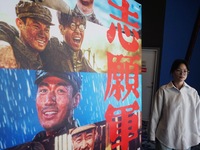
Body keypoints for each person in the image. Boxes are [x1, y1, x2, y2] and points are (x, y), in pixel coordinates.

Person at [6, 70, 82, 150]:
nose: (48, 101)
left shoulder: (84, 144)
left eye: (60, 90)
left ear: (76, 100)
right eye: (43, 90)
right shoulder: (35, 143)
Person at [149, 59, 200, 150]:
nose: (182, 73)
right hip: (165, 135)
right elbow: (155, 114)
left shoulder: (193, 93)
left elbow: (198, 115)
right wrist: (152, 134)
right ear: (172, 72)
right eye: (178, 70)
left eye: (185, 71)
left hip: (185, 137)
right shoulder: (163, 91)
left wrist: (197, 134)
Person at [0, 1, 53, 70]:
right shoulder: (8, 56)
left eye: (46, 30)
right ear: (20, 23)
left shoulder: (45, 56)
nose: (42, 35)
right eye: (36, 26)